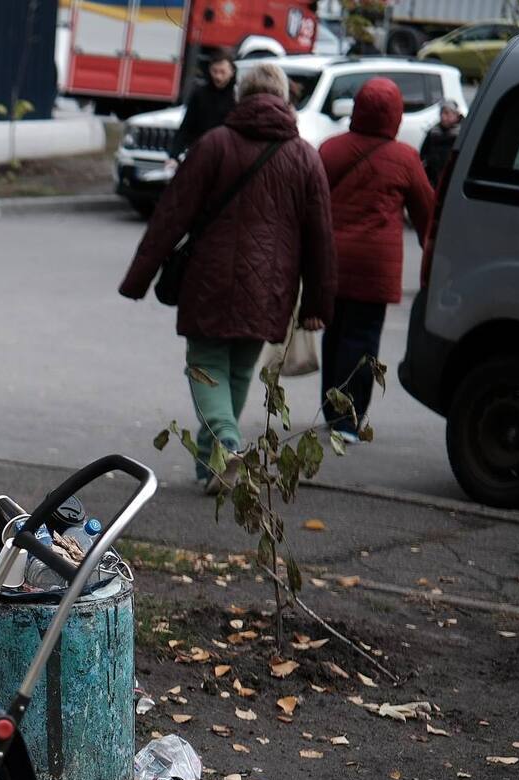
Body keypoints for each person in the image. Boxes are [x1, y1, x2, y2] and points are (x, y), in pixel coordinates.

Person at [119, 63, 336, 492]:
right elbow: (321, 239)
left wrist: (139, 277)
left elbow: (171, 215)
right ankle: (215, 467)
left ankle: (228, 445)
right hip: (270, 288)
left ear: (241, 96)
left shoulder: (214, 144)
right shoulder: (305, 156)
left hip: (210, 281)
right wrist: (316, 305)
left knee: (205, 367)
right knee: (236, 373)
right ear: (284, 100)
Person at [319, 76, 435, 442]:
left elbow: (311, 204)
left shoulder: (331, 149)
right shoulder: (405, 158)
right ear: (397, 114)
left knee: (334, 336)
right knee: (362, 341)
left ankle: (330, 409)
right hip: (375, 268)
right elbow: (426, 213)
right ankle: (348, 420)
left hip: (331, 261)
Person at [172, 49, 237, 160]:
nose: (218, 76)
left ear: (232, 72)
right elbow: (186, 125)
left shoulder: (237, 97)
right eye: (214, 71)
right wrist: (173, 155)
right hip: (201, 152)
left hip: (227, 155)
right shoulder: (200, 94)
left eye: (222, 72)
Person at [418, 98, 463, 193]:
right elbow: (423, 154)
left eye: (447, 113)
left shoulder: (461, 134)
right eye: (442, 113)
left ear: (456, 115)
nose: (443, 116)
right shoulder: (433, 132)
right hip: (434, 178)